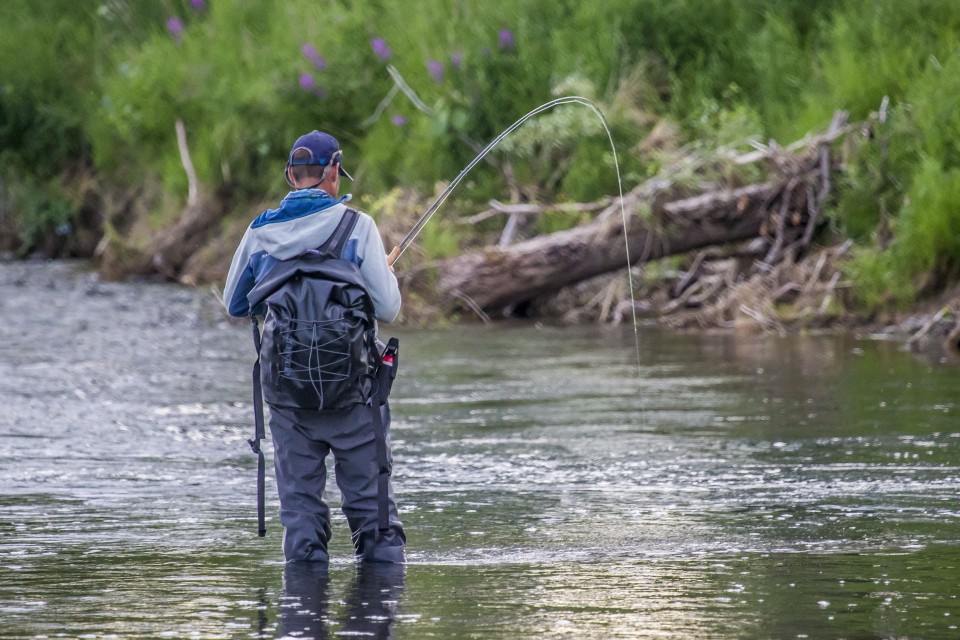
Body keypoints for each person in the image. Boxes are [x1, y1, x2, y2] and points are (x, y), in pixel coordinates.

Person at [223, 130, 405, 563]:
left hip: (288, 400)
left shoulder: (259, 232)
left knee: (302, 527)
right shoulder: (358, 227)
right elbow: (389, 308)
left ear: (291, 175)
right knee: (375, 524)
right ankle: (378, 616)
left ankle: (300, 617)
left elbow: (235, 303)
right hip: (355, 394)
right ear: (333, 173)